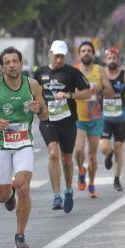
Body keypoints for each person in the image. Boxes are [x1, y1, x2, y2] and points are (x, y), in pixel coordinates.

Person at [0, 47, 48, 248]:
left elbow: (45, 115)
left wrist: (39, 109)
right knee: (1, 196)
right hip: (1, 145)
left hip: (24, 142)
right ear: (2, 67)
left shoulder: (33, 85)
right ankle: (9, 192)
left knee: (25, 186)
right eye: (7, 62)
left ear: (21, 63)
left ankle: (20, 233)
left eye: (15, 61)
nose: (12, 65)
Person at [34, 40, 92, 213]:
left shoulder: (72, 72)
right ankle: (56, 195)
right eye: (56, 55)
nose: (59, 59)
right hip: (47, 120)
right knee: (53, 154)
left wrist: (69, 95)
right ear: (50, 54)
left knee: (66, 159)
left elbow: (87, 92)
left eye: (62, 56)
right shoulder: (40, 73)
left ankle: (68, 190)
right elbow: (31, 92)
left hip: (67, 121)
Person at [73, 41, 113, 198]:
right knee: (78, 150)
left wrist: (101, 88)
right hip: (78, 117)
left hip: (95, 117)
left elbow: (110, 91)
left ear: (93, 53)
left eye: (89, 50)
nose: (86, 53)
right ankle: (81, 170)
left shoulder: (100, 70)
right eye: (83, 51)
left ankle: (91, 184)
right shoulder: (74, 71)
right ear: (79, 54)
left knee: (92, 155)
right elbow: (65, 90)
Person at [99, 48, 125, 192]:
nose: (112, 61)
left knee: (119, 148)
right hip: (105, 117)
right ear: (105, 60)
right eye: (109, 58)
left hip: (121, 117)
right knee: (103, 146)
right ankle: (109, 153)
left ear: (118, 59)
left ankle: (116, 179)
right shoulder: (101, 74)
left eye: (114, 58)